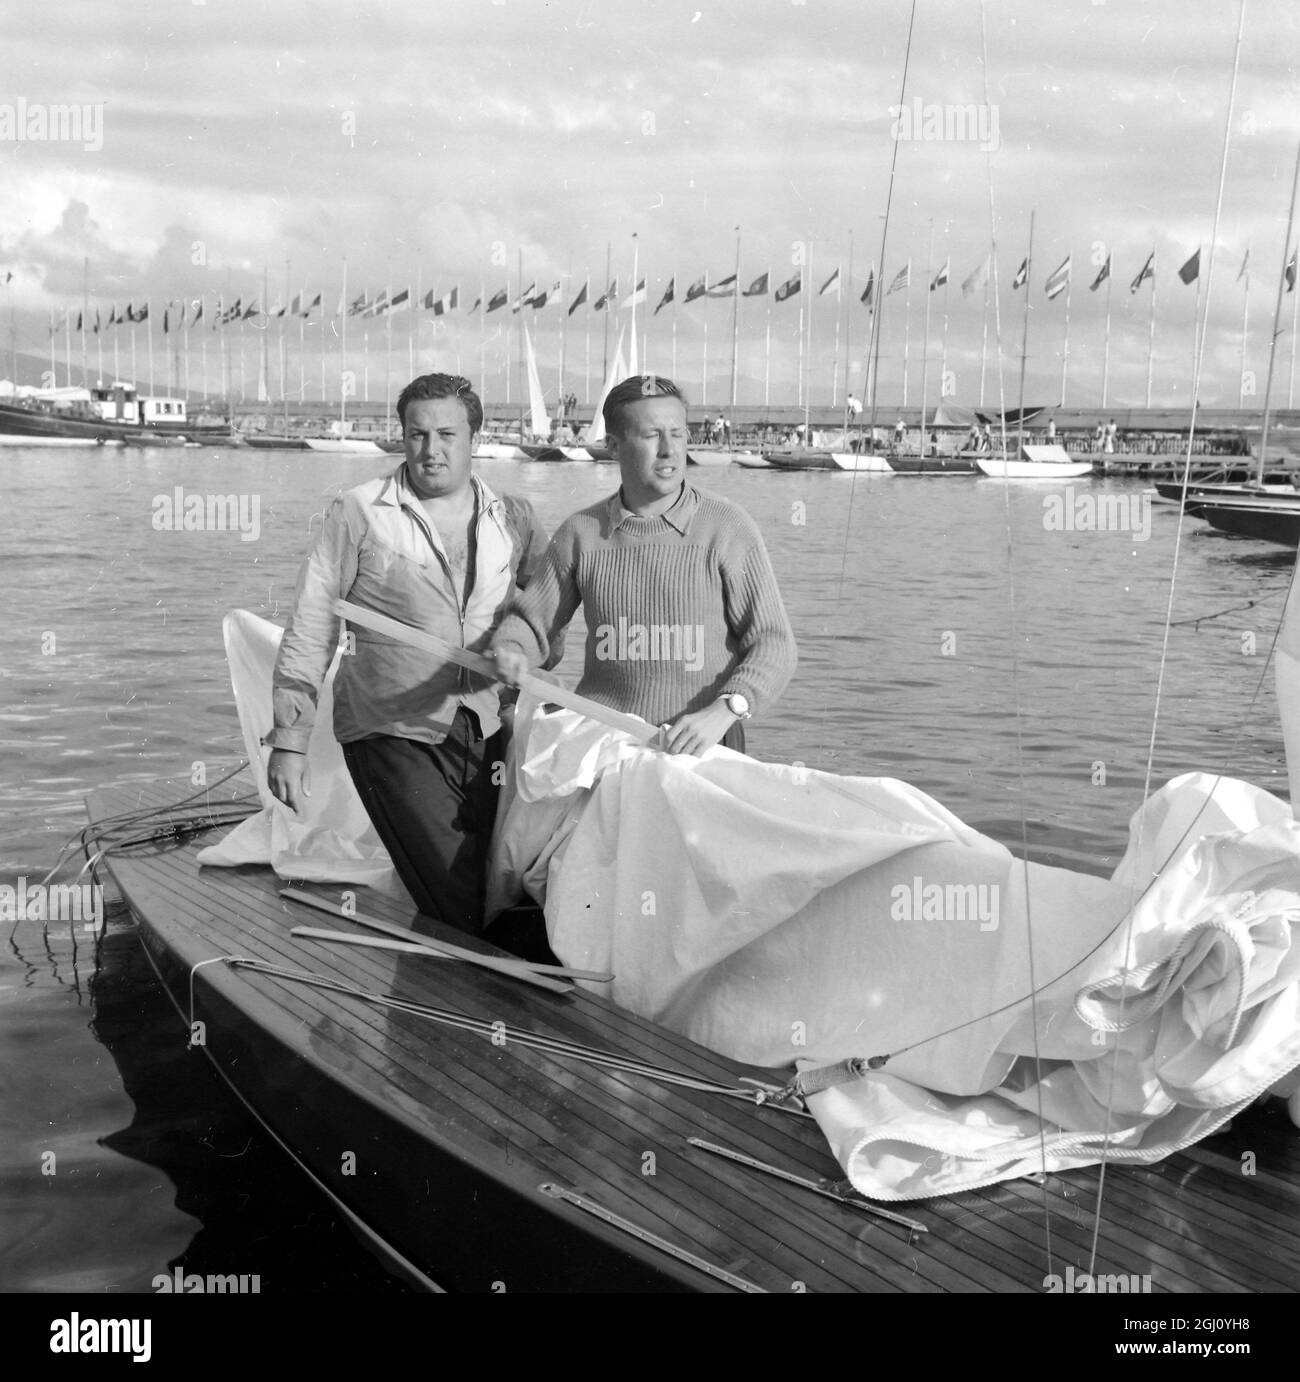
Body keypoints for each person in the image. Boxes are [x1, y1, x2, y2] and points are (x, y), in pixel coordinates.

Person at [265, 373, 552, 935]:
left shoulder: (513, 517)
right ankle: (476, 1011)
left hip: (485, 726)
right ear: (402, 437)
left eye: (447, 434)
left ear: (476, 435)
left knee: (481, 884)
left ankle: (457, 999)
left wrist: (530, 653)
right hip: (388, 727)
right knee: (454, 890)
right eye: (417, 435)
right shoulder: (358, 512)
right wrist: (289, 741)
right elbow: (310, 625)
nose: (431, 450)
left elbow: (545, 609)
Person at [491, 374, 797, 757]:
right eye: (652, 435)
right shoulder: (580, 533)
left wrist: (727, 707)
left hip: (705, 745)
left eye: (678, 433)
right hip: (606, 746)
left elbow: (774, 644)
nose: (670, 450)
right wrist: (512, 648)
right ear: (614, 446)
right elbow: (533, 624)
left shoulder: (728, 527)